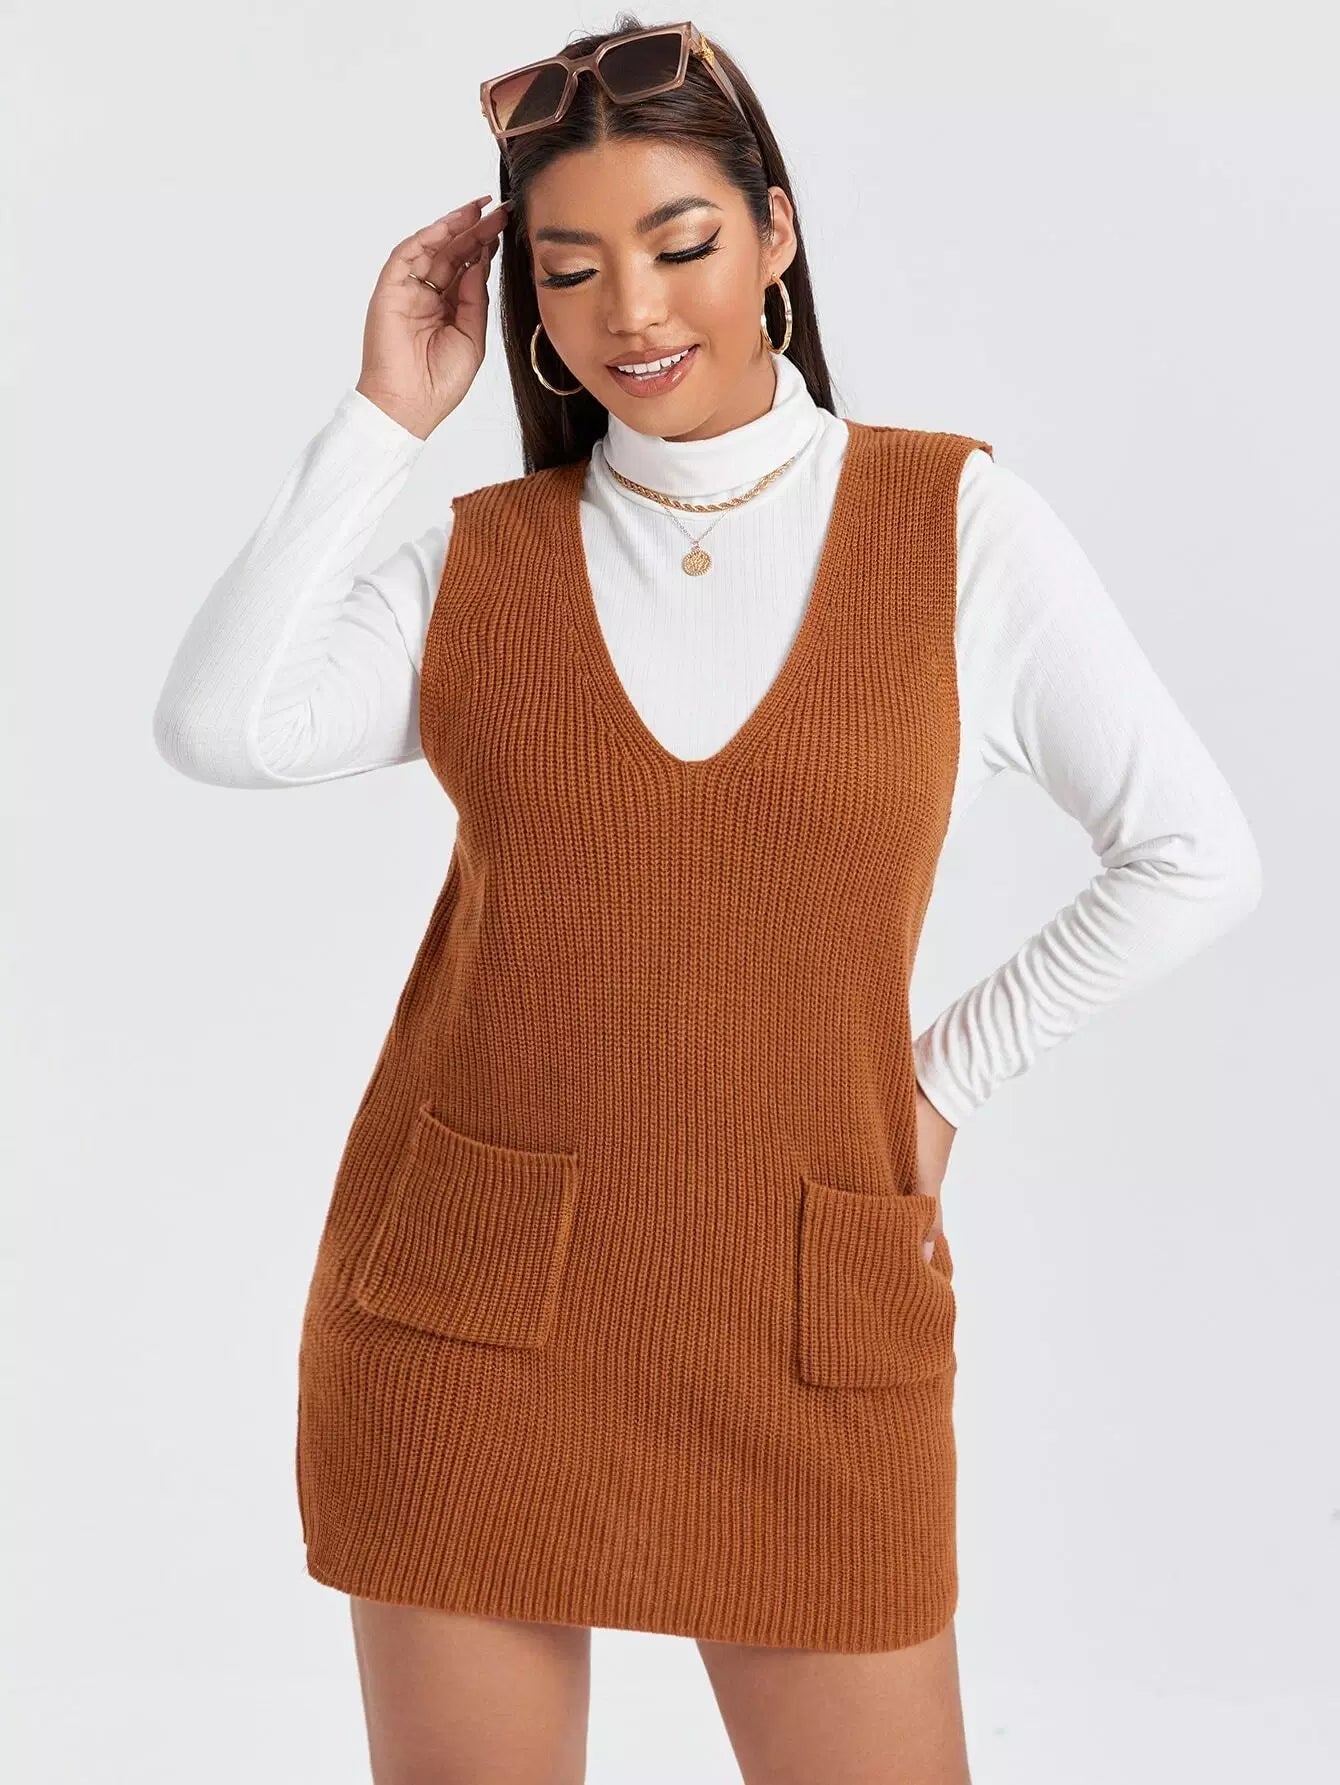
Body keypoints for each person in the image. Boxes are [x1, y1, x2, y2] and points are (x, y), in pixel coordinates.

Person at [152, 18, 1262, 1785]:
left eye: (679, 244)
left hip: (810, 1317)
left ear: (776, 233)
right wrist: (383, 420)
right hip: (466, 1322)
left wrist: (941, 1080)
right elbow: (222, 725)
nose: (634, 310)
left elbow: (1194, 853)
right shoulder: (485, 561)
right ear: (529, 297)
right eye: (571, 267)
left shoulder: (952, 526)